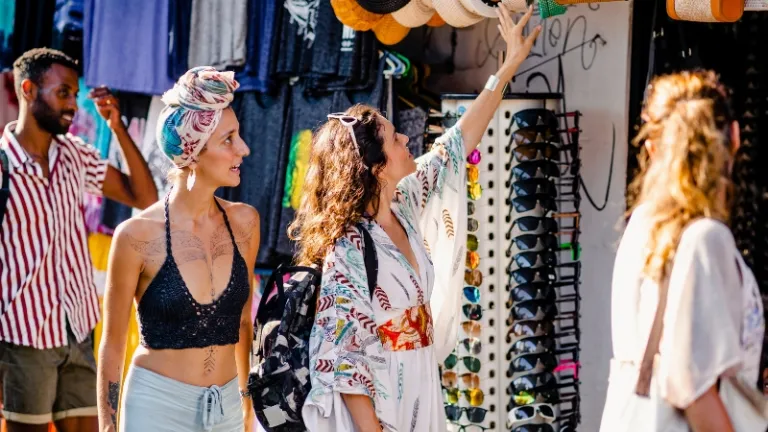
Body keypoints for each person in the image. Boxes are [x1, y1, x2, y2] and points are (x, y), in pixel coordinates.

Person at [291, 6, 540, 432]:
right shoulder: (349, 245)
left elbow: (456, 143)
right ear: (375, 168)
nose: (407, 138)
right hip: (386, 396)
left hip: (420, 378)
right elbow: (343, 351)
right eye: (394, 137)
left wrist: (508, 67)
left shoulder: (403, 204)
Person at [0, 48, 157, 432]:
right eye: (63, 93)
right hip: (23, 336)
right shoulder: (2, 167)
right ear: (27, 90)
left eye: (73, 94)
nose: (73, 104)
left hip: (81, 329)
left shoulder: (74, 155)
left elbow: (144, 198)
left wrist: (118, 128)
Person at [599, 70, 765, 431]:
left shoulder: (642, 225)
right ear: (735, 137)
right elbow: (692, 389)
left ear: (653, 147)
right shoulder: (705, 239)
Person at [95, 67, 259, 432]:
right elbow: (114, 342)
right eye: (228, 140)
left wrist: (247, 405)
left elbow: (244, 321)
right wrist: (108, 425)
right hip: (156, 407)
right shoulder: (136, 235)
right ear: (193, 152)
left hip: (227, 406)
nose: (244, 149)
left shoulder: (245, 223)